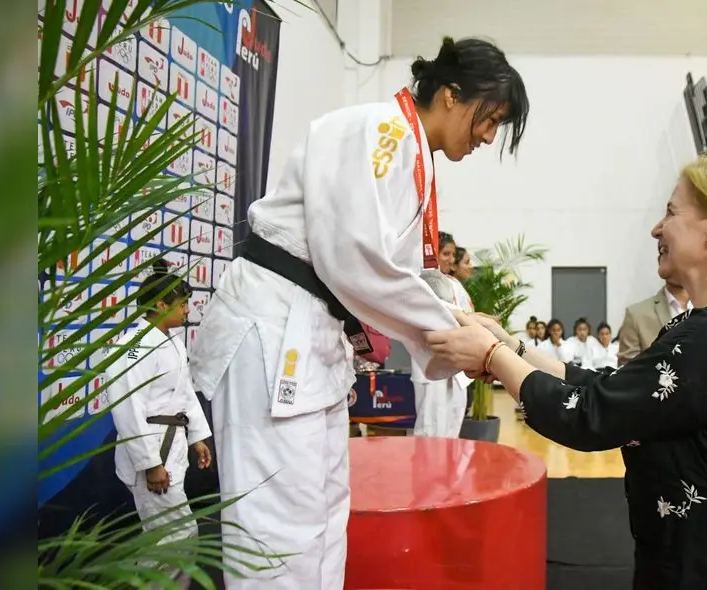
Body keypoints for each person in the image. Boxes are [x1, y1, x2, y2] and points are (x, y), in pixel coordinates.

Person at [187, 36, 528, 590]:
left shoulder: (408, 152)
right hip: (278, 328)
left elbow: (383, 272)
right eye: (489, 118)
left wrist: (459, 319)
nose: (489, 136)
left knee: (323, 516)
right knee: (279, 532)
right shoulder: (379, 131)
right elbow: (354, 259)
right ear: (450, 94)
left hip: (311, 334)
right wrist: (451, 329)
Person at [425, 154, 707, 589]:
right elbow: (617, 391)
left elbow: (589, 415)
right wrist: (512, 347)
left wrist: (491, 357)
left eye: (671, 212)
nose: (657, 228)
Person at [107, 262, 213, 589]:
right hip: (153, 451)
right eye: (181, 303)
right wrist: (150, 463)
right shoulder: (134, 345)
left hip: (174, 445)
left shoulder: (173, 343)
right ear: (161, 304)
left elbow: (184, 396)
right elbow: (127, 408)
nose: (187, 310)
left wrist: (197, 436)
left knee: (161, 538)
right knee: (178, 535)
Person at [412, 269, 471, 437]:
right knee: (429, 426)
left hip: (457, 368)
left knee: (453, 424)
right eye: (446, 253)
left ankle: (450, 464)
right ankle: (428, 464)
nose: (451, 258)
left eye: (453, 254)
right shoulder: (420, 277)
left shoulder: (455, 284)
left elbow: (467, 315)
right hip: (430, 362)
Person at [617, 258, 692, 366]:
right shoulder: (636, 315)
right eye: (665, 250)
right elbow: (626, 377)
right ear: (660, 261)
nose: (677, 259)